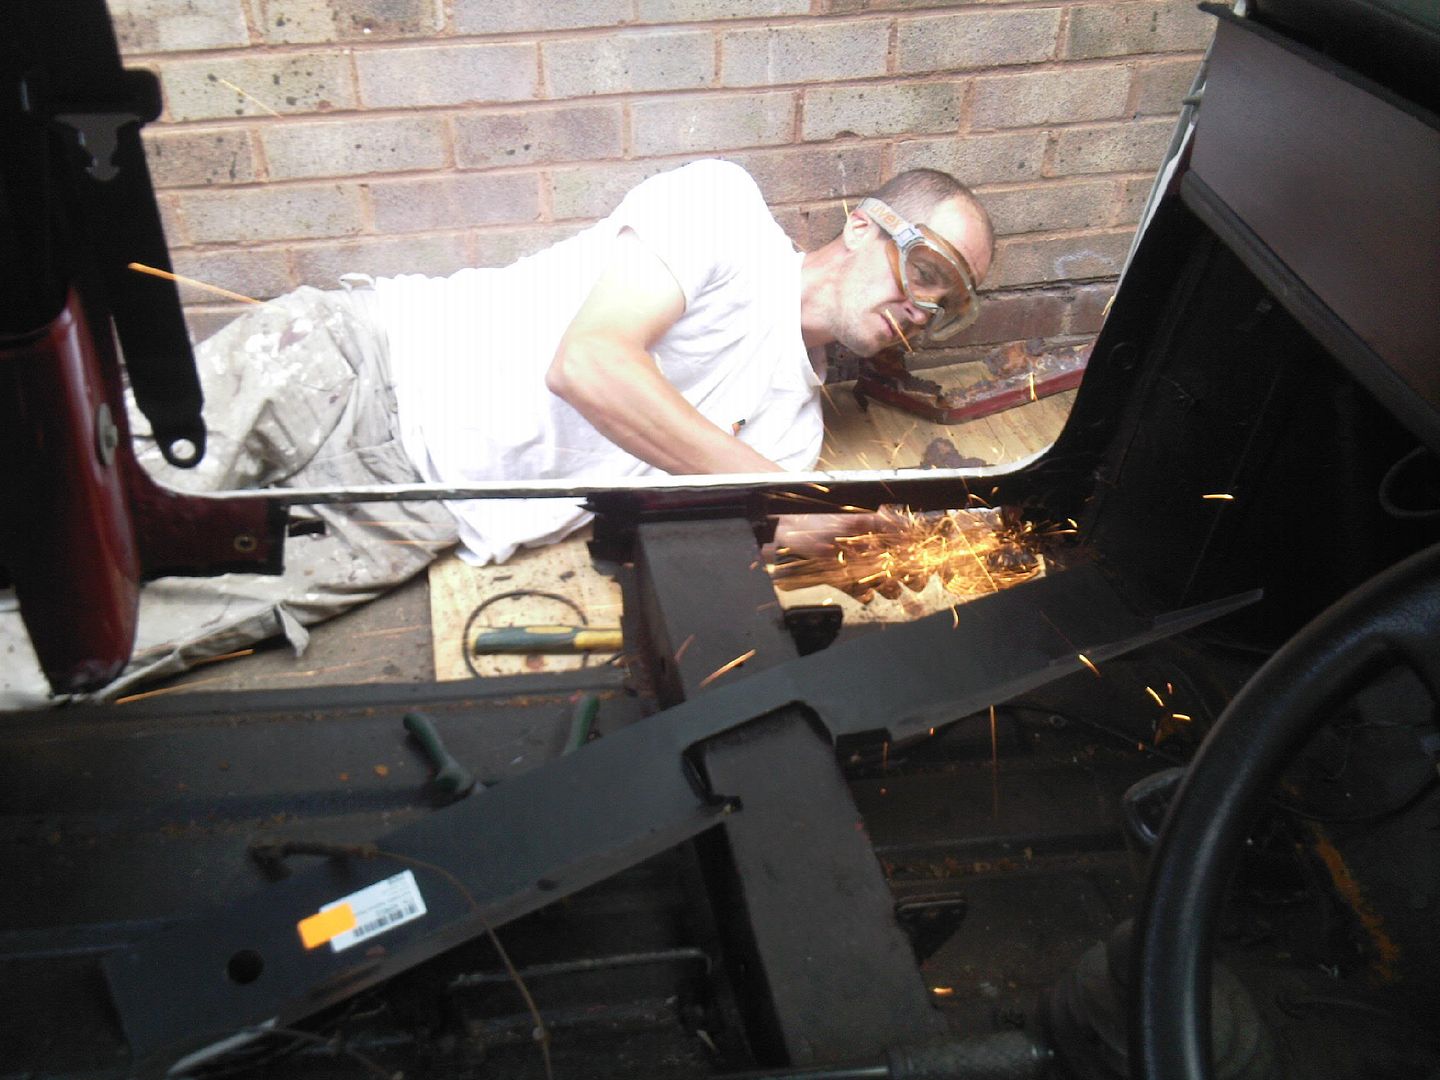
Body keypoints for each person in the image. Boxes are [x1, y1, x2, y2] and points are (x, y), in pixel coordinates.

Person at [27, 157, 991, 703]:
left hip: (409, 517)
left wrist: (860, 534)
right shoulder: (726, 214)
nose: (925, 310)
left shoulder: (787, 436)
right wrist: (787, 500)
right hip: (356, 372)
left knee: (87, 653)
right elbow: (590, 363)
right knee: (59, 517)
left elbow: (729, 528)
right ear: (862, 226)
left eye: (949, 307)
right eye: (928, 272)